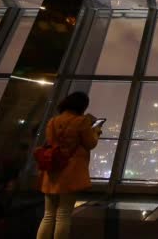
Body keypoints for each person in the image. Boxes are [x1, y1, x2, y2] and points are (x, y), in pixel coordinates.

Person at [36, 92, 101, 239]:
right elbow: (90, 143)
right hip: (70, 172)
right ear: (82, 106)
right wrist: (96, 131)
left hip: (52, 169)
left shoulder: (53, 121)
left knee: (48, 215)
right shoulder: (81, 122)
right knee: (63, 214)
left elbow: (50, 143)